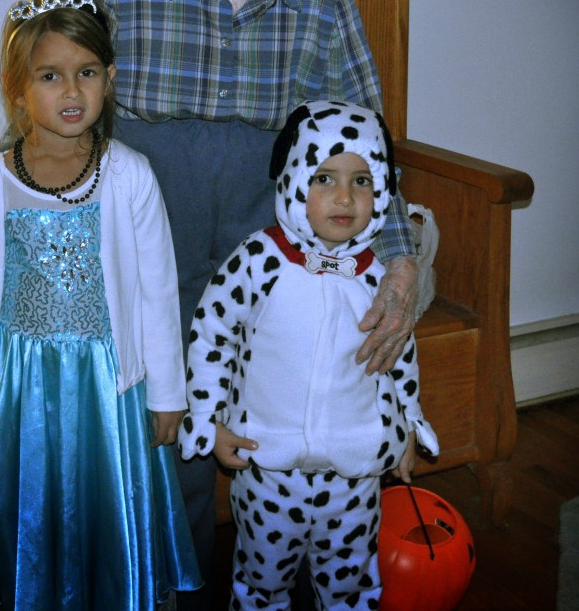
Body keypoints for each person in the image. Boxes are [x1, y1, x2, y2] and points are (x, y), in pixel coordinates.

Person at [0, 0, 420, 609]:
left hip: (272, 262)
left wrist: (401, 263)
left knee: (279, 430)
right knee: (167, 444)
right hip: (149, 251)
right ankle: (173, 591)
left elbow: (367, 139)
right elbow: (61, 97)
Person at [0, 0, 201, 609]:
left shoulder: (130, 176)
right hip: (22, 389)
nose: (71, 91)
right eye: (50, 76)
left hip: (109, 389)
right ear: (17, 89)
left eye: (86, 73)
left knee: (104, 510)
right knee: (33, 512)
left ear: (109, 79)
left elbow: (157, 294)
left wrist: (167, 396)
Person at [180, 100, 439, 610]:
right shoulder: (258, 260)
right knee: (261, 585)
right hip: (267, 468)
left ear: (381, 191)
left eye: (361, 181)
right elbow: (211, 336)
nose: (345, 197)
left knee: (352, 586)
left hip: (355, 472)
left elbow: (399, 355)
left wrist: (408, 424)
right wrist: (209, 421)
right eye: (324, 179)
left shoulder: (378, 278)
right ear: (294, 180)